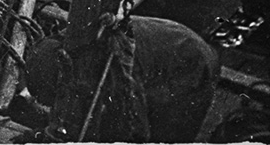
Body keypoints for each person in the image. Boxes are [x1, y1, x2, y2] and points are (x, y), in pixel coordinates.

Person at [24, 15, 218, 142]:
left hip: (190, 63)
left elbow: (136, 129)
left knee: (166, 138)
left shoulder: (112, 63)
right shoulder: (69, 48)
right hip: (168, 42)